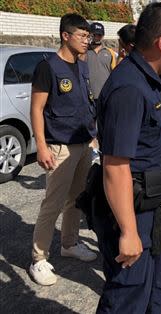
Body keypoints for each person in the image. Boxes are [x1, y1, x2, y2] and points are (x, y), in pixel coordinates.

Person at [94, 3, 161, 313]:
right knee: (128, 294)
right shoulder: (129, 88)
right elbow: (115, 167)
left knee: (158, 281)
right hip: (135, 210)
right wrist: (129, 232)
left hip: (158, 201)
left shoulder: (155, 77)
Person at [29, 13, 97, 286]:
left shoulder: (81, 65)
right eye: (81, 35)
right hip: (59, 147)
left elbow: (84, 104)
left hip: (83, 143)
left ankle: (69, 243)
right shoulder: (47, 67)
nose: (86, 40)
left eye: (88, 35)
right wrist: (42, 146)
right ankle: (38, 258)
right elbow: (37, 109)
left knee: (76, 199)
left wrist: (93, 137)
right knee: (53, 204)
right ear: (65, 36)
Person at [86, 22, 117, 102]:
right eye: (94, 35)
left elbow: (115, 73)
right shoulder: (83, 52)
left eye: (99, 35)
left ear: (103, 36)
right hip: (87, 96)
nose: (97, 37)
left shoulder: (110, 52)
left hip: (105, 96)